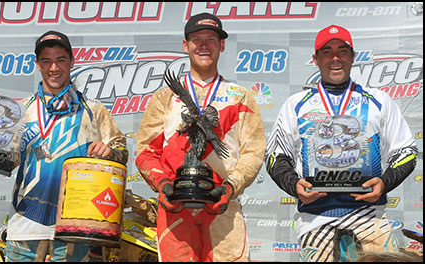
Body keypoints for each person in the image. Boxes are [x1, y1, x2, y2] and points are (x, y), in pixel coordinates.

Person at [0, 30, 128, 262]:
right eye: (46, 60)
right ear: (37, 64)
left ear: (72, 62)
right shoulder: (19, 110)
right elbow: (7, 161)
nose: (54, 67)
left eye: (60, 59)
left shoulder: (94, 110)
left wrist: (110, 152)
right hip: (25, 226)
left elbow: (122, 152)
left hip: (75, 229)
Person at [264, 25, 418, 262]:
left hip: (370, 217)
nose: (335, 58)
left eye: (342, 51)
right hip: (316, 219)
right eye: (326, 52)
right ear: (315, 59)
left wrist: (385, 183)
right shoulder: (297, 104)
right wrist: (294, 185)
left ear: (353, 56)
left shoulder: (378, 101)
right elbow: (276, 156)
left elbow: (406, 151)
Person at [135, 13, 266, 262]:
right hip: (174, 208)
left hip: (222, 208)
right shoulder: (164, 98)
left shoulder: (241, 97)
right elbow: (145, 151)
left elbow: (253, 152)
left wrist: (230, 187)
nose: (203, 45)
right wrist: (162, 184)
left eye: (211, 39)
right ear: (185, 45)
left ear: (222, 45)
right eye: (197, 39)